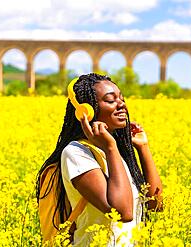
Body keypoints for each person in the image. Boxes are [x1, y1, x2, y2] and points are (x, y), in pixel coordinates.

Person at [36, 73, 163, 246]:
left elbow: (156, 205)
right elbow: (123, 213)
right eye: (110, 100)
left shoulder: (117, 154)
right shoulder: (76, 153)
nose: (121, 105)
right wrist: (110, 147)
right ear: (86, 111)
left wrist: (143, 148)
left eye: (122, 99)